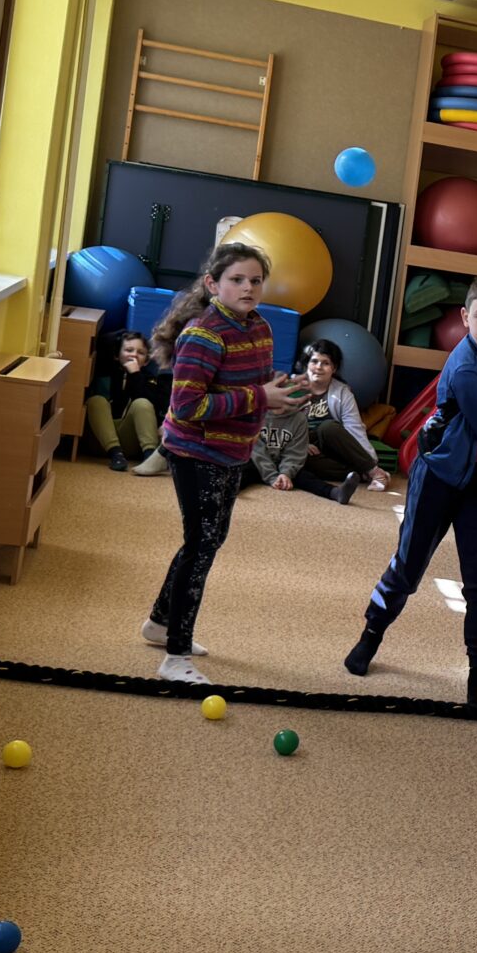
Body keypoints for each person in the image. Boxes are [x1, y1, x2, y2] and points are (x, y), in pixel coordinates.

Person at [345, 275, 477, 698]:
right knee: (408, 567)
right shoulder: (466, 368)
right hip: (440, 477)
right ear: (465, 317)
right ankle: (370, 636)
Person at [143, 243, 298, 682]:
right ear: (213, 285)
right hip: (195, 452)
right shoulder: (203, 334)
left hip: (234, 451)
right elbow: (187, 405)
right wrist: (259, 396)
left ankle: (159, 623)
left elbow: (252, 388)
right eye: (237, 280)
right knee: (201, 546)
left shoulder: (260, 326)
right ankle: (175, 656)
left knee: (207, 540)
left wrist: (277, 394)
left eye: (255, 280)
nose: (248, 287)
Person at [293, 338, 386, 492]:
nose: (319, 367)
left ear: (334, 368)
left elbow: (354, 428)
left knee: (328, 427)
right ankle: (359, 473)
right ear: (306, 364)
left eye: (325, 363)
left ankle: (374, 472)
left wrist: (371, 462)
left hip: (331, 441)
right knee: (300, 462)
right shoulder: (293, 387)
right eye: (314, 361)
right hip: (302, 443)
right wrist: (302, 443)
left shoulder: (342, 393)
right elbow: (282, 424)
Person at [246, 391, 360, 503]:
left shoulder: (299, 419)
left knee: (305, 477)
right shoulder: (255, 415)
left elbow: (294, 452)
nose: (279, 402)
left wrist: (286, 473)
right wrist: (272, 477)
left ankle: (335, 493)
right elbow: (257, 451)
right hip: (258, 462)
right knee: (243, 470)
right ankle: (233, 491)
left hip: (282, 463)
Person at [86, 329, 168, 472]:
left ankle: (150, 456)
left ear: (146, 361)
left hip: (132, 439)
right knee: (96, 400)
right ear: (117, 355)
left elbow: (153, 407)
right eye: (129, 350)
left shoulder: (150, 379)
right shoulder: (106, 371)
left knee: (142, 403)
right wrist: (123, 334)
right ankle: (115, 454)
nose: (134, 355)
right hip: (101, 438)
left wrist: (135, 375)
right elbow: (104, 341)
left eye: (140, 352)